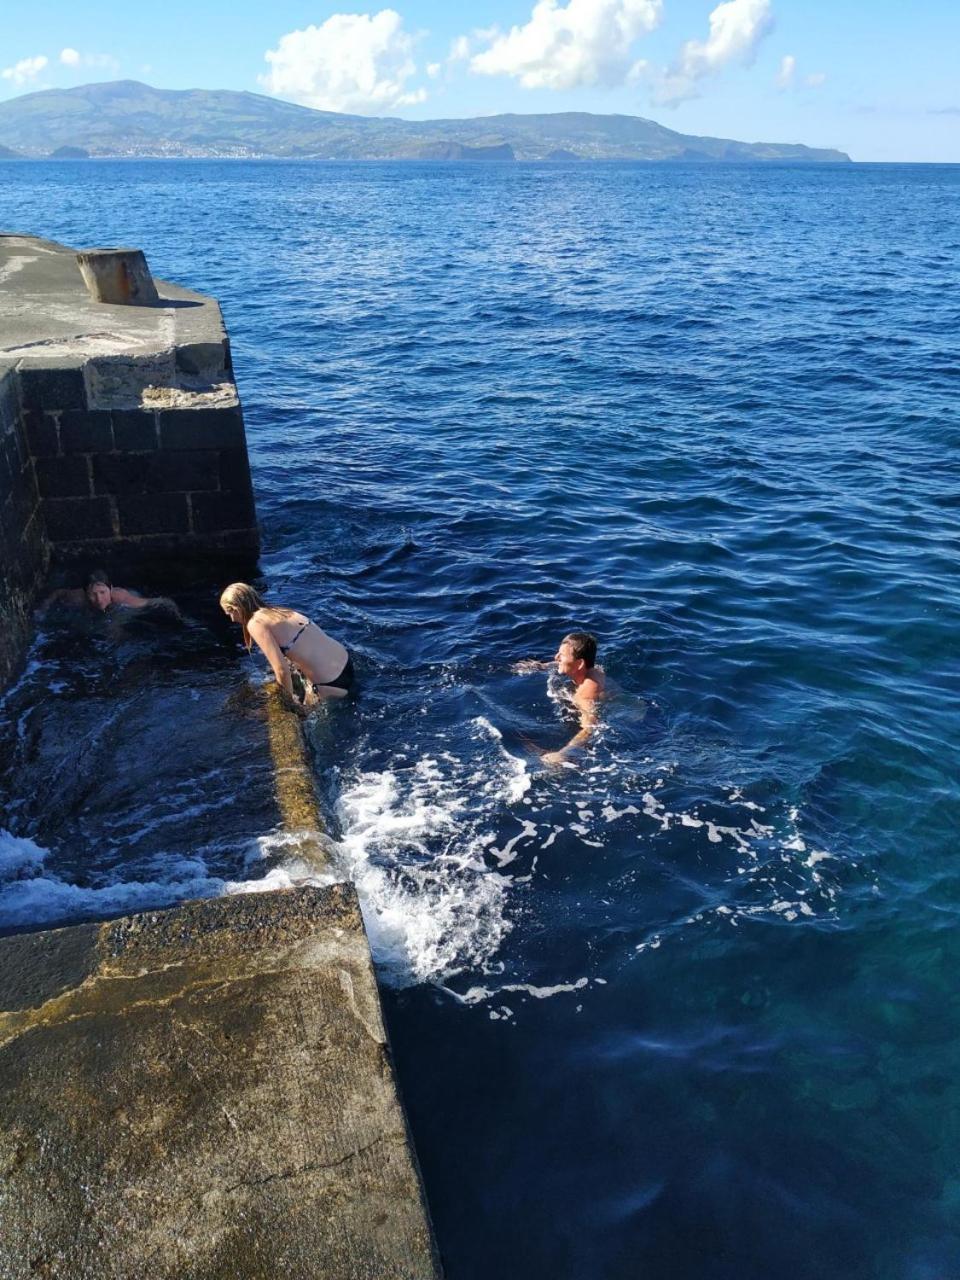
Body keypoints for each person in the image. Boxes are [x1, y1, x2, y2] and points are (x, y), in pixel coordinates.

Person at [219, 582, 353, 712]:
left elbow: (282, 670)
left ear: (237, 608)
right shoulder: (279, 611)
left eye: (229, 613)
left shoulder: (255, 623)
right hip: (346, 662)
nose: (232, 619)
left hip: (330, 684)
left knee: (298, 716)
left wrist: (288, 703)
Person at [514, 631, 605, 765]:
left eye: (561, 655)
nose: (556, 657)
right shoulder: (595, 670)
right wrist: (541, 666)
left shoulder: (584, 695)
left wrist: (564, 752)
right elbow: (569, 664)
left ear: (579, 663)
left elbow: (590, 727)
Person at [42, 568, 174, 614]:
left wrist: (180, 616)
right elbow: (59, 592)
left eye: (102, 593)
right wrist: (46, 604)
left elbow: (160, 601)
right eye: (93, 594)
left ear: (110, 589)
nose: (99, 599)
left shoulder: (123, 599)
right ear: (85, 593)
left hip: (123, 601)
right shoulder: (77, 598)